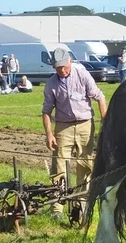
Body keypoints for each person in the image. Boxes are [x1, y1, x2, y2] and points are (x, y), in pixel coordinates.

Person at [42, 47, 107, 220]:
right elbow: (46, 111)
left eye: (64, 66)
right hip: (63, 127)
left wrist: (105, 123)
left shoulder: (82, 75)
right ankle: (57, 208)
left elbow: (99, 97)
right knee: (59, 165)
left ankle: (81, 204)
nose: (62, 70)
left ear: (69, 61)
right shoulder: (51, 84)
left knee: (84, 164)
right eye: (58, 68)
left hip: (86, 124)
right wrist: (49, 134)